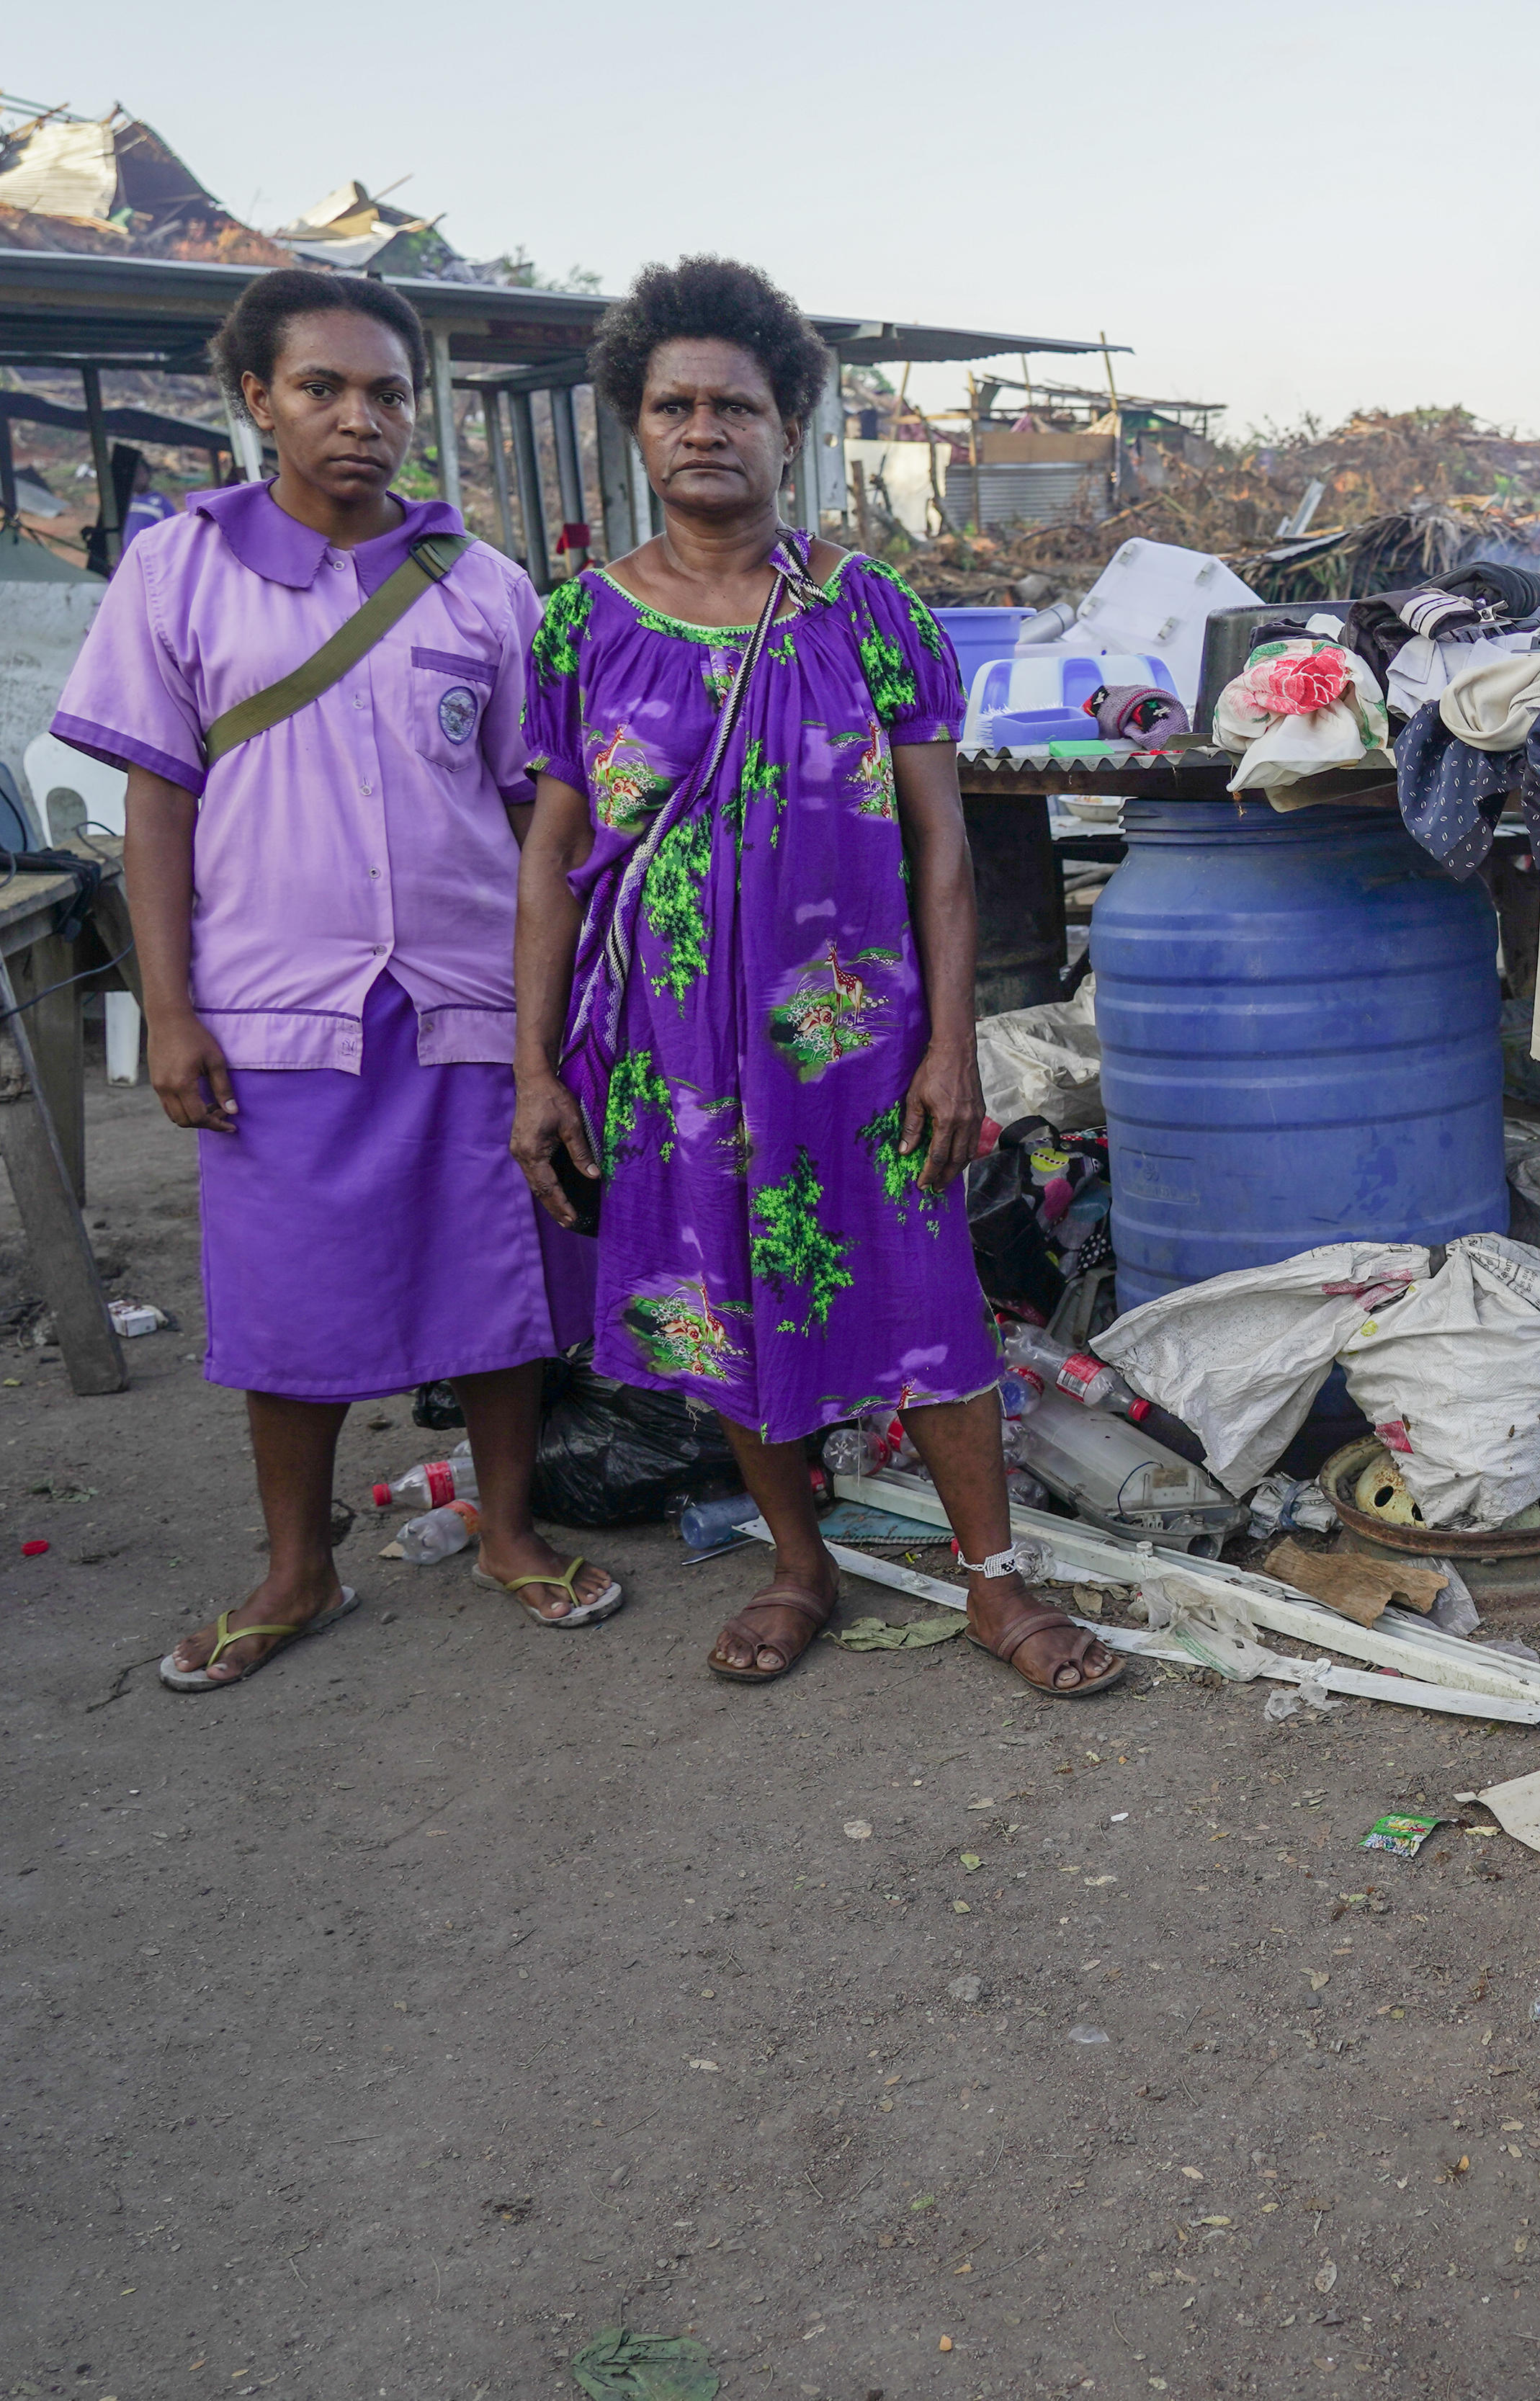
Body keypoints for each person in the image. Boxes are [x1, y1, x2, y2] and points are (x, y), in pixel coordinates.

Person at [509, 255, 1119, 1698]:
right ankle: (801, 1563)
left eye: (737, 403)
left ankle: (992, 1580)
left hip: (855, 1049)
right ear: (636, 427)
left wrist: (949, 1046)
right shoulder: (578, 624)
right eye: (674, 405)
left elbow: (945, 854)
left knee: (927, 1292)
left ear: (793, 428)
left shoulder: (868, 612)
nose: (703, 428)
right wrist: (534, 1069)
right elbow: (550, 859)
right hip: (666, 1057)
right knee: (720, 1301)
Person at [53, 266, 619, 1692]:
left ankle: (508, 1529)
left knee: (499, 1271)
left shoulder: (482, 586)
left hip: (466, 990)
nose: (358, 419)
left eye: (384, 392)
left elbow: (528, 818)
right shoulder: (176, 570)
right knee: (286, 1298)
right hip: (274, 1004)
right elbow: (157, 812)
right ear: (257, 401)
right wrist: (168, 1012)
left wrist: (564, 1011)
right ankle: (297, 1568)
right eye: (322, 388)